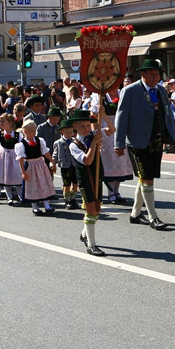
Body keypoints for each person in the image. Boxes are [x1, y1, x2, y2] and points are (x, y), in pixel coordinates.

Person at [114, 58, 175, 229]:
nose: (155, 77)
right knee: (147, 178)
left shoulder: (161, 91)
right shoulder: (130, 91)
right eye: (152, 74)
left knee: (145, 178)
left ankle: (135, 213)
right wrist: (118, 143)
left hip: (156, 140)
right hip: (137, 141)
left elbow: (167, 115)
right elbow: (121, 118)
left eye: (157, 74)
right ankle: (153, 216)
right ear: (142, 74)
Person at [69, 108, 107, 256]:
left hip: (97, 176)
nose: (85, 129)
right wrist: (95, 143)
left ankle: (84, 234)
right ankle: (91, 245)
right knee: (91, 210)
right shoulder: (74, 145)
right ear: (75, 127)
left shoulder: (93, 135)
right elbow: (87, 160)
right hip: (85, 180)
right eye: (82, 126)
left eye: (87, 125)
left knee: (96, 211)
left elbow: (112, 129)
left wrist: (103, 116)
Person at [16, 118, 56, 215]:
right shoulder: (21, 145)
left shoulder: (39, 140)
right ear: (25, 131)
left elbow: (45, 152)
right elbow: (21, 159)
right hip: (30, 165)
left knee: (44, 184)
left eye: (34, 130)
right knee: (32, 186)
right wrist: (23, 172)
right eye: (31, 131)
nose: (34, 132)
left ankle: (47, 205)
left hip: (41, 165)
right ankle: (35, 207)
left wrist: (52, 161)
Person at [98, 100, 133, 204]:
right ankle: (110, 193)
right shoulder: (101, 96)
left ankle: (116, 192)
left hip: (119, 127)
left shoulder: (121, 93)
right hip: (106, 128)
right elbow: (95, 118)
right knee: (110, 164)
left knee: (120, 164)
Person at [0, 113, 23, 205]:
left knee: (17, 176)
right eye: (1, 121)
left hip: (14, 156)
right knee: (6, 177)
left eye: (3, 121)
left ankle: (21, 196)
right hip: (3, 156)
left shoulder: (17, 135)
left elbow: (21, 146)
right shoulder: (0, 133)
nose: (1, 123)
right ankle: (9, 197)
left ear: (10, 123)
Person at [53, 120, 80, 209]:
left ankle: (73, 199)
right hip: (65, 166)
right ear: (62, 131)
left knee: (76, 184)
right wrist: (53, 163)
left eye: (71, 132)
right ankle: (67, 200)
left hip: (74, 166)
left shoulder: (75, 141)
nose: (69, 134)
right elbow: (55, 154)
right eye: (67, 132)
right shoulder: (58, 142)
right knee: (66, 184)